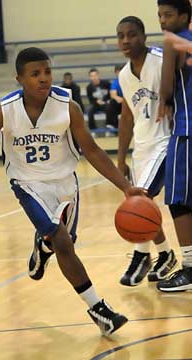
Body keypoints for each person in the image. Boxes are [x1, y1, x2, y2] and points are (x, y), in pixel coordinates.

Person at [0, 47, 146, 335]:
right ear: (19, 78)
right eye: (35, 74)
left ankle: (41, 247)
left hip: (65, 181)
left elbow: (92, 150)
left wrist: (126, 187)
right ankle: (99, 310)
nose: (43, 78)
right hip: (27, 183)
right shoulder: (3, 111)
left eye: (47, 72)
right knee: (62, 242)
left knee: (63, 240)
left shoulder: (68, 106)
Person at [116, 16, 177, 287]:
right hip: (141, 147)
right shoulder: (123, 75)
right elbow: (127, 117)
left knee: (141, 201)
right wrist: (120, 159)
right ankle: (165, 254)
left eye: (132, 35)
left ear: (143, 36)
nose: (126, 41)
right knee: (143, 205)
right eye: (121, 36)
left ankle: (141, 255)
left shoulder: (161, 60)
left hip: (166, 140)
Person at [156, 0, 192, 292]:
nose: (162, 20)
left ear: (184, 16)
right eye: (159, 15)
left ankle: (190, 268)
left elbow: (167, 88)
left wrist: (163, 99)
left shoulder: (172, 43)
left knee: (179, 200)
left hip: (186, 130)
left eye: (168, 14)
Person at [105, 65, 124, 134]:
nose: (120, 74)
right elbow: (113, 95)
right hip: (121, 103)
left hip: (130, 103)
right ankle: (112, 126)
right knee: (112, 103)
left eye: (121, 72)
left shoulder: (129, 81)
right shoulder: (115, 82)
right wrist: (118, 98)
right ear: (116, 73)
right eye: (118, 72)